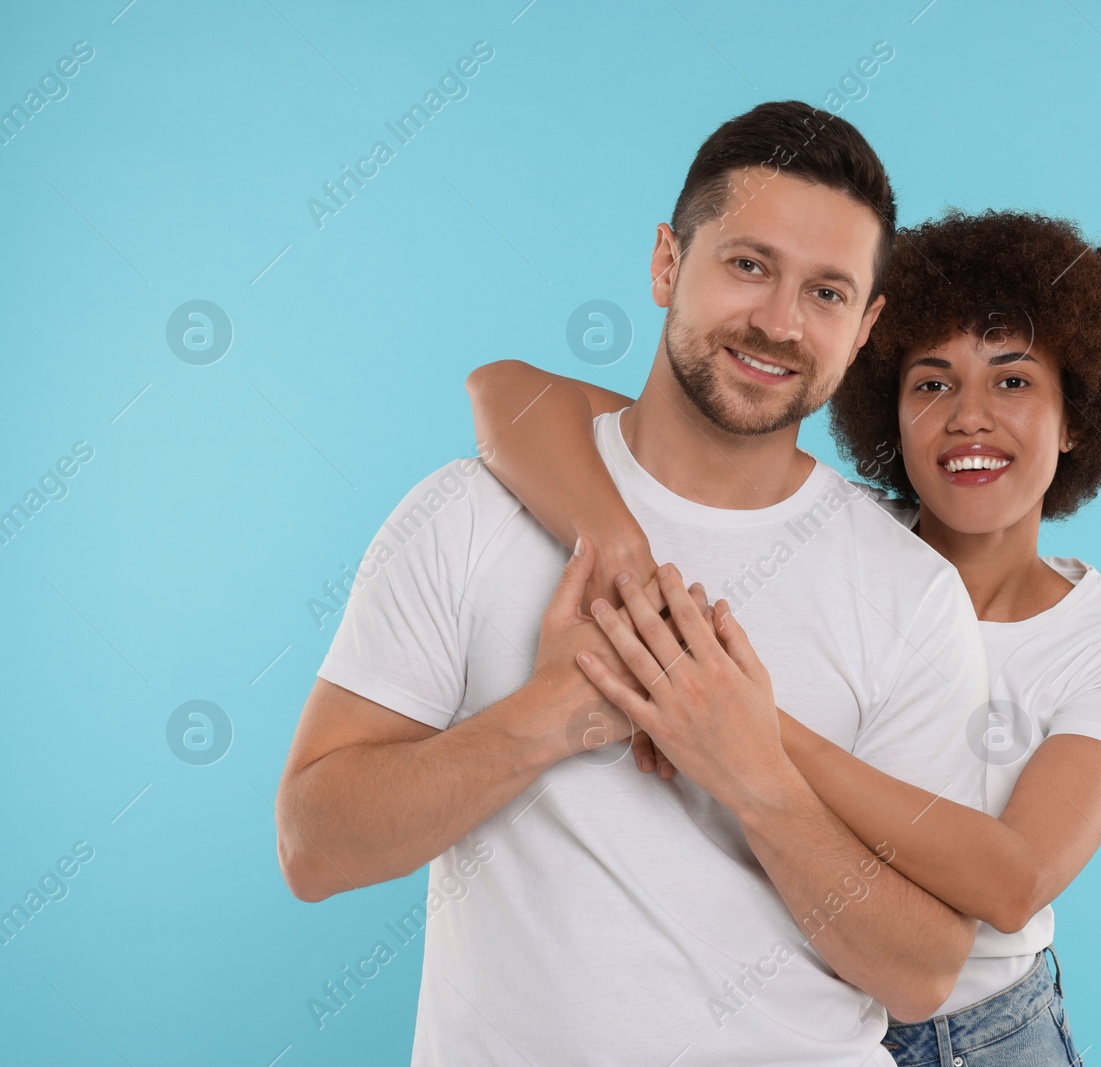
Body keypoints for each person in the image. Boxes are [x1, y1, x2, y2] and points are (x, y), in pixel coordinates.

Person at [275, 100, 997, 1066]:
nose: (780, 322)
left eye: (827, 293)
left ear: (865, 327)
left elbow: (923, 973)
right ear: (667, 263)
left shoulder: (911, 594)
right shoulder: (470, 513)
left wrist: (756, 782)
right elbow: (313, 847)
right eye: (749, 264)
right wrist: (545, 718)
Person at [468, 208, 1101, 1066]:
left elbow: (1013, 878)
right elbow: (508, 392)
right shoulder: (817, 535)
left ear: (1076, 421)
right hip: (802, 1006)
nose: (969, 417)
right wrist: (618, 547)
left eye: (1014, 382)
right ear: (887, 412)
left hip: (988, 1035)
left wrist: (742, 727)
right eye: (931, 382)